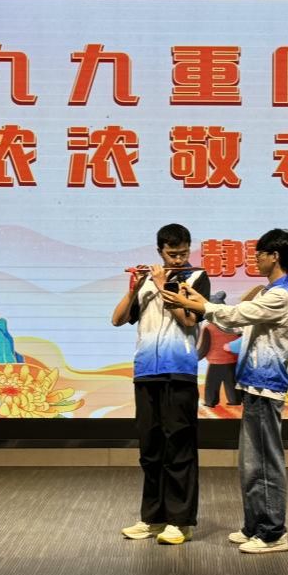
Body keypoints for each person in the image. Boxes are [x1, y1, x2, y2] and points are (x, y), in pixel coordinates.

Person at [165, 228, 288, 555]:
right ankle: (255, 525)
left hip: (266, 387)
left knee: (265, 463)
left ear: (274, 256)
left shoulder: (280, 296)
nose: (256, 259)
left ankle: (273, 533)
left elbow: (236, 314)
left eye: (260, 254)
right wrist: (199, 303)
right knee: (251, 463)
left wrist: (193, 304)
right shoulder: (267, 294)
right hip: (252, 385)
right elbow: (232, 323)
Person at [111, 223, 210, 546]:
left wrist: (163, 285)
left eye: (183, 253)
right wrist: (134, 288)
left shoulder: (197, 278)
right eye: (171, 254)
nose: (178, 259)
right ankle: (153, 518)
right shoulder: (146, 282)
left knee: (179, 447)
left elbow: (189, 321)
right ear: (160, 251)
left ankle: (180, 522)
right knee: (150, 449)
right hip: (146, 372)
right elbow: (118, 319)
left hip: (179, 371)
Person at [198, 291, 242, 409]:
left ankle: (210, 401)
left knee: (212, 383)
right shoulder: (235, 326)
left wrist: (195, 357)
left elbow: (204, 347)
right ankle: (235, 400)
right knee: (231, 382)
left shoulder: (209, 328)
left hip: (216, 361)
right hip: (232, 360)